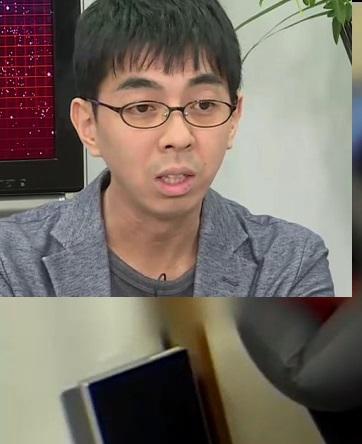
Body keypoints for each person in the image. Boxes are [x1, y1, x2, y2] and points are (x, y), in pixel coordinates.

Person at [0, 0, 331, 297]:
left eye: (203, 104)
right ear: (88, 125)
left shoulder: (290, 261)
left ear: (233, 119)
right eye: (143, 107)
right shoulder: (11, 261)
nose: (179, 136)